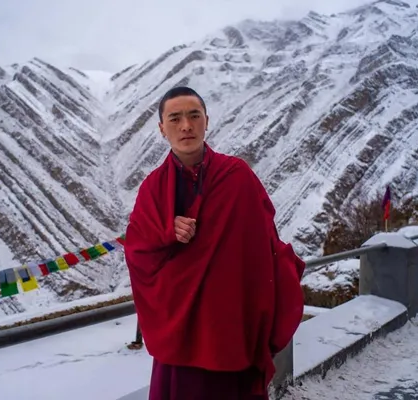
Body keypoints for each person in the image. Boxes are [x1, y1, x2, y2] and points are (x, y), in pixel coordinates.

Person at [124, 86, 306, 400]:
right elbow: (138, 252)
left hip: (230, 323)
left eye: (194, 116)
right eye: (175, 118)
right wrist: (166, 231)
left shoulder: (237, 176)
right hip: (180, 330)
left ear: (207, 121)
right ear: (161, 128)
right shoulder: (153, 188)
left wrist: (265, 305)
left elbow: (264, 245)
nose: (186, 126)